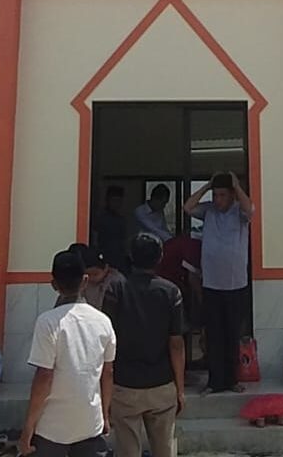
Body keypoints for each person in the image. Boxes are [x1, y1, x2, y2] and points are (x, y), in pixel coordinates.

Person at [19, 249, 117, 457]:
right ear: (85, 281)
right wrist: (105, 414)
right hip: (90, 421)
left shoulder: (48, 323)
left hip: (52, 426)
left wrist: (29, 426)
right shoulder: (103, 322)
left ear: (54, 284)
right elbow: (107, 373)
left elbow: (44, 377)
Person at [108, 234, 187, 457]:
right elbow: (176, 344)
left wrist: (104, 385)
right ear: (160, 257)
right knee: (164, 448)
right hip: (161, 385)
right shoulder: (171, 292)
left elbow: (106, 339)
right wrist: (180, 389)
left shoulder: (116, 289)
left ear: (131, 257)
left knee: (127, 449)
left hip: (124, 384)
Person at [184, 172, 252, 394]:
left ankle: (232, 380)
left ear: (232, 195)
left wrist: (237, 186)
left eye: (222, 195)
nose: (218, 199)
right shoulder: (208, 211)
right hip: (211, 284)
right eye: (215, 195)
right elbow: (187, 207)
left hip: (235, 285)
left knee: (232, 334)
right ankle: (214, 382)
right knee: (213, 335)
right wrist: (206, 187)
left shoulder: (240, 212)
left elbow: (250, 208)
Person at [70, 242, 126, 313]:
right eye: (87, 274)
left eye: (95, 274)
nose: (91, 278)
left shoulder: (116, 282)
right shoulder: (83, 283)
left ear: (106, 268)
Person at [94, 186, 131, 272]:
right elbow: (95, 238)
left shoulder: (121, 220)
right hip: (104, 257)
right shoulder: (100, 218)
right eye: (114, 200)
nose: (117, 204)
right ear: (108, 200)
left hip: (119, 258)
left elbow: (124, 240)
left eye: (119, 201)